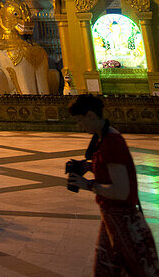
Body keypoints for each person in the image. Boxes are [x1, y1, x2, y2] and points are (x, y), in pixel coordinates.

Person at [67, 93, 159, 276]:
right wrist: (88, 166)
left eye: (80, 120)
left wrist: (88, 185)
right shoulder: (104, 136)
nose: (79, 126)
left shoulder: (111, 142)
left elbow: (121, 191)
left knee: (134, 269)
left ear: (91, 116)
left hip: (124, 221)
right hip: (112, 219)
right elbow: (110, 170)